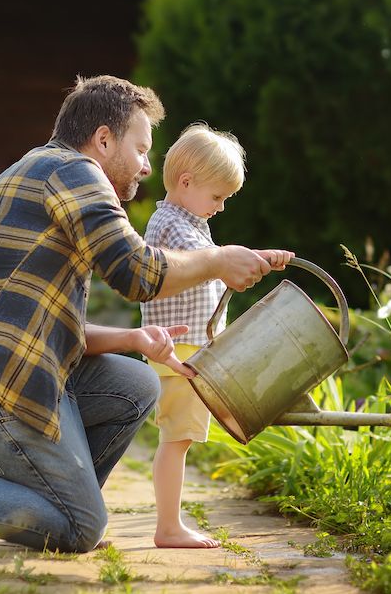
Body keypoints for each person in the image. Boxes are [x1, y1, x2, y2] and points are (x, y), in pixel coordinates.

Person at [0, 75, 287, 553]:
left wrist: (133, 340)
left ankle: (51, 504)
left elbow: (48, 328)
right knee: (82, 529)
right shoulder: (76, 173)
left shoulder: (38, 172)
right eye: (140, 149)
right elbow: (135, 272)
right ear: (102, 139)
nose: (145, 166)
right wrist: (218, 261)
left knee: (137, 383)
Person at [140, 124, 292, 548]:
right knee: (177, 439)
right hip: (181, 352)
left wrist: (256, 259)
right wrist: (245, 259)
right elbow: (209, 263)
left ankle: (171, 522)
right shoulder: (172, 225)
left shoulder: (185, 221)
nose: (221, 207)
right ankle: (168, 527)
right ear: (186, 183)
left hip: (189, 349)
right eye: (218, 197)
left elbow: (216, 266)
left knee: (180, 437)